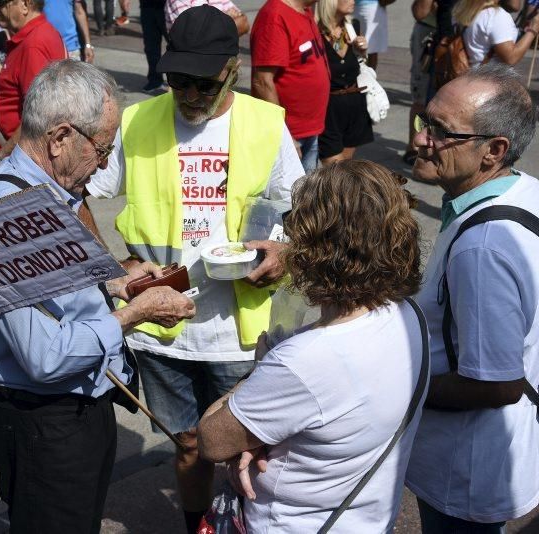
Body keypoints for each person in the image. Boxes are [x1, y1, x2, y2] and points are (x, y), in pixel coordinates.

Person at [86, 7, 304, 533]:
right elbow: (78, 194)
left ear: (232, 67)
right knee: (186, 444)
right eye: (177, 80)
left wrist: (286, 254)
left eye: (202, 83)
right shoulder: (138, 122)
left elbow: (302, 209)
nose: (189, 95)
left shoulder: (265, 124)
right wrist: (105, 266)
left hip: (238, 328)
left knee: (249, 449)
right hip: (161, 330)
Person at [0, 59, 196, 533]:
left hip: (80, 408)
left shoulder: (49, 193)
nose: (107, 163)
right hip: (44, 426)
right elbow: (45, 357)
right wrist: (135, 313)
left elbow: (56, 287)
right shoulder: (7, 216)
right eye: (102, 149)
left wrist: (116, 282)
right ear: (59, 138)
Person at [199, 160, 425, 532]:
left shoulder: (306, 359)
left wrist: (258, 378)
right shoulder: (407, 315)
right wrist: (262, 428)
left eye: (293, 228)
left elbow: (211, 439)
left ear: (314, 246)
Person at [405, 63, 539, 532]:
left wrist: (396, 388)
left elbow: (495, 384)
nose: (421, 138)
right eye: (425, 121)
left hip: (464, 475)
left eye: (442, 132)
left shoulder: (483, 249)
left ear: (494, 151)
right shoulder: (526, 191)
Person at [0, 0, 65, 165]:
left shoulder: (33, 45)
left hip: (21, 158)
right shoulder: (37, 34)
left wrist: (2, 155)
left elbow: (40, 113)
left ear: (25, 5)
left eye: (2, 3)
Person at [250, 0, 330, 173]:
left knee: (305, 194)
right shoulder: (275, 16)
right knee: (290, 197)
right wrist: (283, 135)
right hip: (289, 134)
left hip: (309, 129)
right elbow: (262, 81)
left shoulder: (304, 10)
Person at [315, 0, 373, 164]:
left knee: (346, 164)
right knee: (334, 166)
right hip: (328, 108)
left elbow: (355, 65)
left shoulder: (352, 26)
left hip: (354, 104)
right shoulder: (314, 31)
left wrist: (362, 52)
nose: (353, 1)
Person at [455, 0, 539, 68]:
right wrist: (533, 29)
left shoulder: (466, 11)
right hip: (489, 81)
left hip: (471, 75)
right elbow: (511, 58)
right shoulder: (495, 16)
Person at [402, 0, 436, 165]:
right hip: (430, 34)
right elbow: (420, 12)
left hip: (462, 35)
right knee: (421, 100)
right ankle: (414, 147)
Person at [164, 0, 249, 34]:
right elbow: (193, 34)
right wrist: (227, 17)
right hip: (192, 64)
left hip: (221, 60)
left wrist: (210, 25)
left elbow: (244, 24)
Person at [352, 0, 393, 71]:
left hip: (371, 7)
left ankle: (369, 78)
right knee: (350, 44)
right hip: (349, 5)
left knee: (371, 49)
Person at [139, 0, 167, 93]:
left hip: (168, 7)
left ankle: (181, 81)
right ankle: (155, 80)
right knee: (150, 46)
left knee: (177, 45)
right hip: (147, 7)